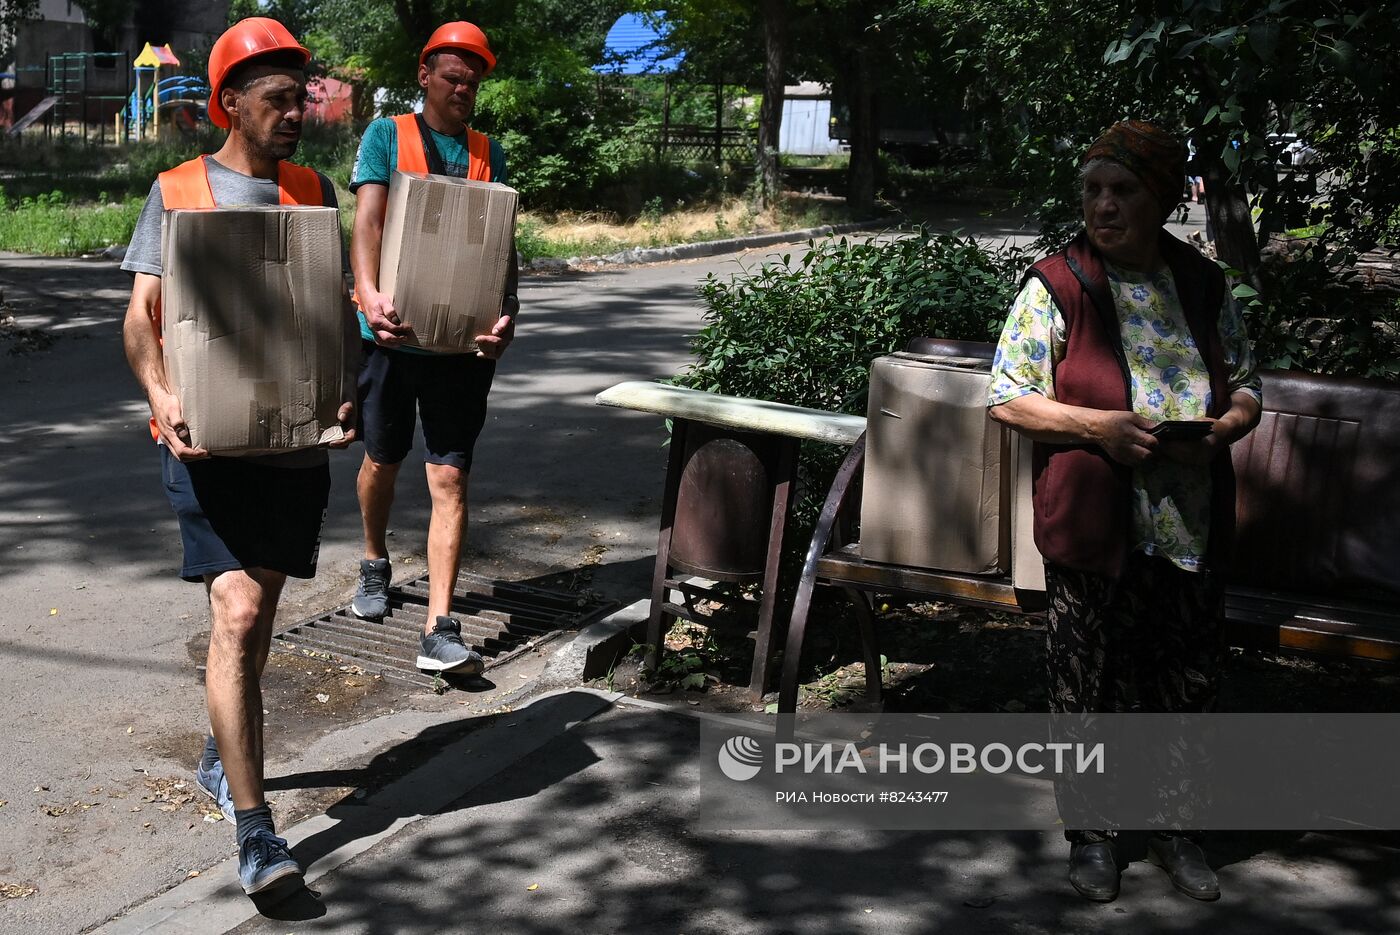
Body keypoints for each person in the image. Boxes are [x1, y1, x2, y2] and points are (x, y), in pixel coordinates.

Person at [986, 120, 1263, 903]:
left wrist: (1223, 432)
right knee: (1090, 684)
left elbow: (1247, 382)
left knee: (1188, 680)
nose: (1104, 207)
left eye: (1123, 191)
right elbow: (1007, 396)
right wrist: (1096, 426)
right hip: (1097, 525)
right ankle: (1095, 836)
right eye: (1093, 191)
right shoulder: (1058, 283)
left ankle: (1180, 832)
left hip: (1190, 521)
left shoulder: (1202, 284)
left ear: (1163, 199)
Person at [121, 16, 355, 895]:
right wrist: (161, 391)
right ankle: (258, 836)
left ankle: (224, 754)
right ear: (230, 102)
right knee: (240, 613)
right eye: (279, 99)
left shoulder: (311, 188)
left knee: (257, 622)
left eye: (303, 97)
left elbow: (328, 316)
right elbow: (139, 320)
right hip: (205, 446)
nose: (299, 112)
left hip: (295, 450)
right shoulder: (177, 190)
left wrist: (345, 384)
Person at [347, 21, 517, 673]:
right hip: (391, 340)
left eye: (474, 80)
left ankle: (439, 625)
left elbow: (502, 246)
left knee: (449, 474)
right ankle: (372, 558)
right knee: (382, 461)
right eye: (453, 76)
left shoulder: (487, 152)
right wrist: (366, 293)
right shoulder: (387, 136)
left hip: (460, 350)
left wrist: (509, 315)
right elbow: (366, 222)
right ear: (425, 76)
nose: (465, 88)